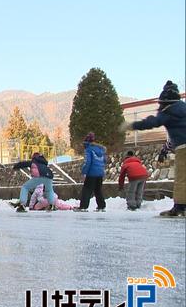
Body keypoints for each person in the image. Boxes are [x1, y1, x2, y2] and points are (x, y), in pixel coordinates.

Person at [120, 80, 185, 216]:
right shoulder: (183, 107)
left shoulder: (169, 110)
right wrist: (164, 150)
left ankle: (180, 208)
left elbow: (152, 122)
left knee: (181, 178)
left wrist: (132, 125)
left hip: (183, 148)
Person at [73, 132, 107, 212]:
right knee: (98, 190)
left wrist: (84, 171)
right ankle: (101, 206)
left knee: (86, 190)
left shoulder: (88, 149)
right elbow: (105, 161)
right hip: (100, 173)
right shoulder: (101, 150)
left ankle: (83, 206)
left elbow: (87, 162)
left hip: (91, 173)